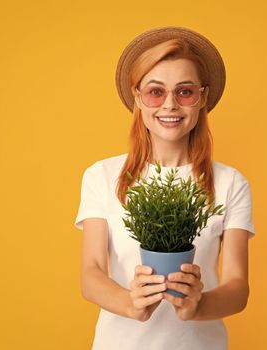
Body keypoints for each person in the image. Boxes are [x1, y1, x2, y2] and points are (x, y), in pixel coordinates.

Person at [74, 26, 256, 350]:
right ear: (137, 100)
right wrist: (130, 303)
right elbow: (91, 273)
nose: (170, 104)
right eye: (155, 92)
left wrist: (198, 306)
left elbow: (237, 286)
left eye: (184, 91)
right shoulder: (102, 176)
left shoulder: (230, 184)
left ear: (202, 97)